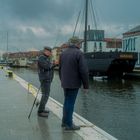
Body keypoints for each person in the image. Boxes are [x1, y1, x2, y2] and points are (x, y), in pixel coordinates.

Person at [59, 37, 89, 130]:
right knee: (70, 103)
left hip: (65, 82)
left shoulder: (63, 53)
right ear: (77, 44)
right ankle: (69, 124)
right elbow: (83, 71)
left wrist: (62, 80)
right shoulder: (79, 53)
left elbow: (60, 69)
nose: (81, 45)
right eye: (80, 43)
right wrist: (86, 86)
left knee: (66, 102)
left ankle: (64, 122)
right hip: (74, 83)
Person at [37, 46, 58, 117]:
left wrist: (55, 64)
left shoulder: (46, 58)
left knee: (46, 95)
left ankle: (42, 109)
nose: (50, 53)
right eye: (49, 51)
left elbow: (50, 67)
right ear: (45, 51)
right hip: (45, 79)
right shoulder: (41, 58)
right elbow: (47, 67)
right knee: (45, 95)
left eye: (51, 52)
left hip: (48, 79)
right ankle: (40, 111)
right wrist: (54, 64)